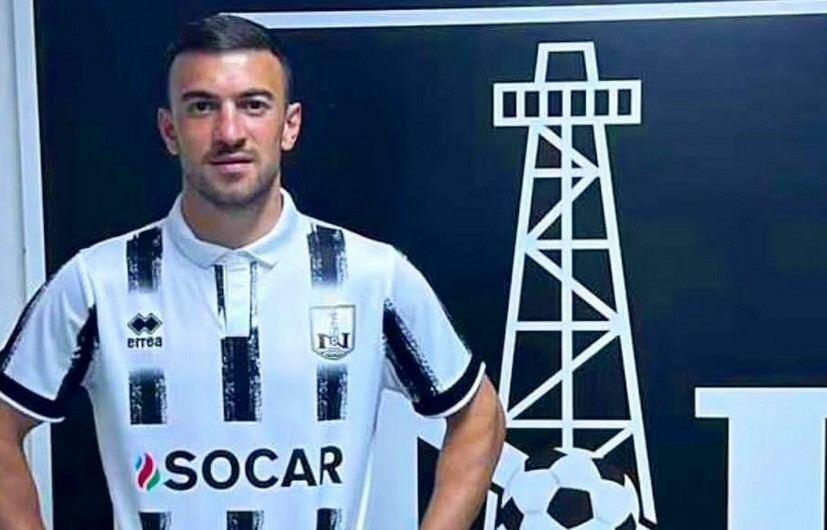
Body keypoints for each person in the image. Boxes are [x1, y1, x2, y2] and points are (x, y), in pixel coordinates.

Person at [0, 14, 505, 530]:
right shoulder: (97, 283)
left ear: (290, 125)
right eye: (202, 107)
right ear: (170, 130)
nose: (229, 132)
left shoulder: (371, 276)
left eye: (253, 105)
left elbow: (478, 415)